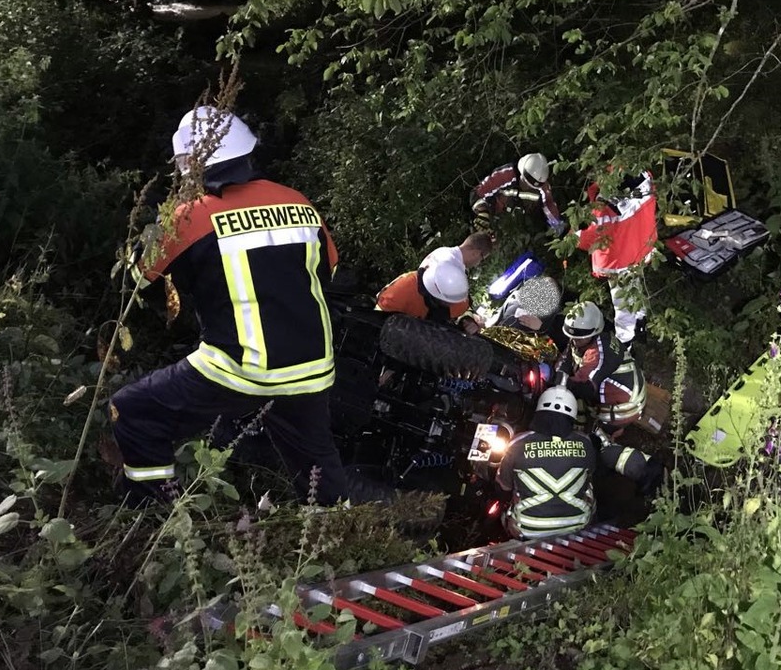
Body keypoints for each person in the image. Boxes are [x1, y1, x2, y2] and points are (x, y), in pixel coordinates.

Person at [111, 106, 388, 506]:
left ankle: (150, 514)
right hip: (311, 368)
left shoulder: (191, 216)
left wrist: (162, 219)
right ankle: (340, 536)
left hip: (240, 367)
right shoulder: (299, 204)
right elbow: (328, 268)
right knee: (319, 474)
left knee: (133, 411)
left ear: (191, 164)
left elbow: (134, 278)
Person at [495, 384, 664, 539]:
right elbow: (594, 474)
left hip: (527, 530)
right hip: (578, 525)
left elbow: (503, 487)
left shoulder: (518, 443)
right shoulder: (585, 442)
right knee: (587, 486)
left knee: (507, 507)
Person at [575, 169, 658, 346]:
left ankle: (624, 341)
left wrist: (570, 238)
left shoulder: (607, 208)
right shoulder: (643, 178)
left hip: (622, 258)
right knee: (635, 286)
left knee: (622, 301)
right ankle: (640, 322)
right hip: (642, 245)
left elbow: (590, 237)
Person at [375, 231, 495, 332]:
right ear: (475, 253)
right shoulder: (451, 268)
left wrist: (467, 318)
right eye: (482, 259)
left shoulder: (443, 252)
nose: (479, 263)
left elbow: (459, 305)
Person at [557, 301, 647, 430]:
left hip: (625, 406)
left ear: (593, 332)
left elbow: (583, 387)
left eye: (579, 338)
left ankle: (608, 433)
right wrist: (559, 373)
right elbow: (567, 356)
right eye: (572, 337)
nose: (575, 341)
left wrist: (554, 380)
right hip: (622, 388)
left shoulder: (600, 353)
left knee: (599, 433)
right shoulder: (586, 338)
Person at [471, 153, 567, 235]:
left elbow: (549, 205)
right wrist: (483, 212)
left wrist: (558, 226)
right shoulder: (506, 174)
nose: (527, 187)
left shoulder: (542, 186)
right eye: (525, 183)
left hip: (521, 225)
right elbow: (477, 193)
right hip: (495, 216)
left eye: (532, 186)